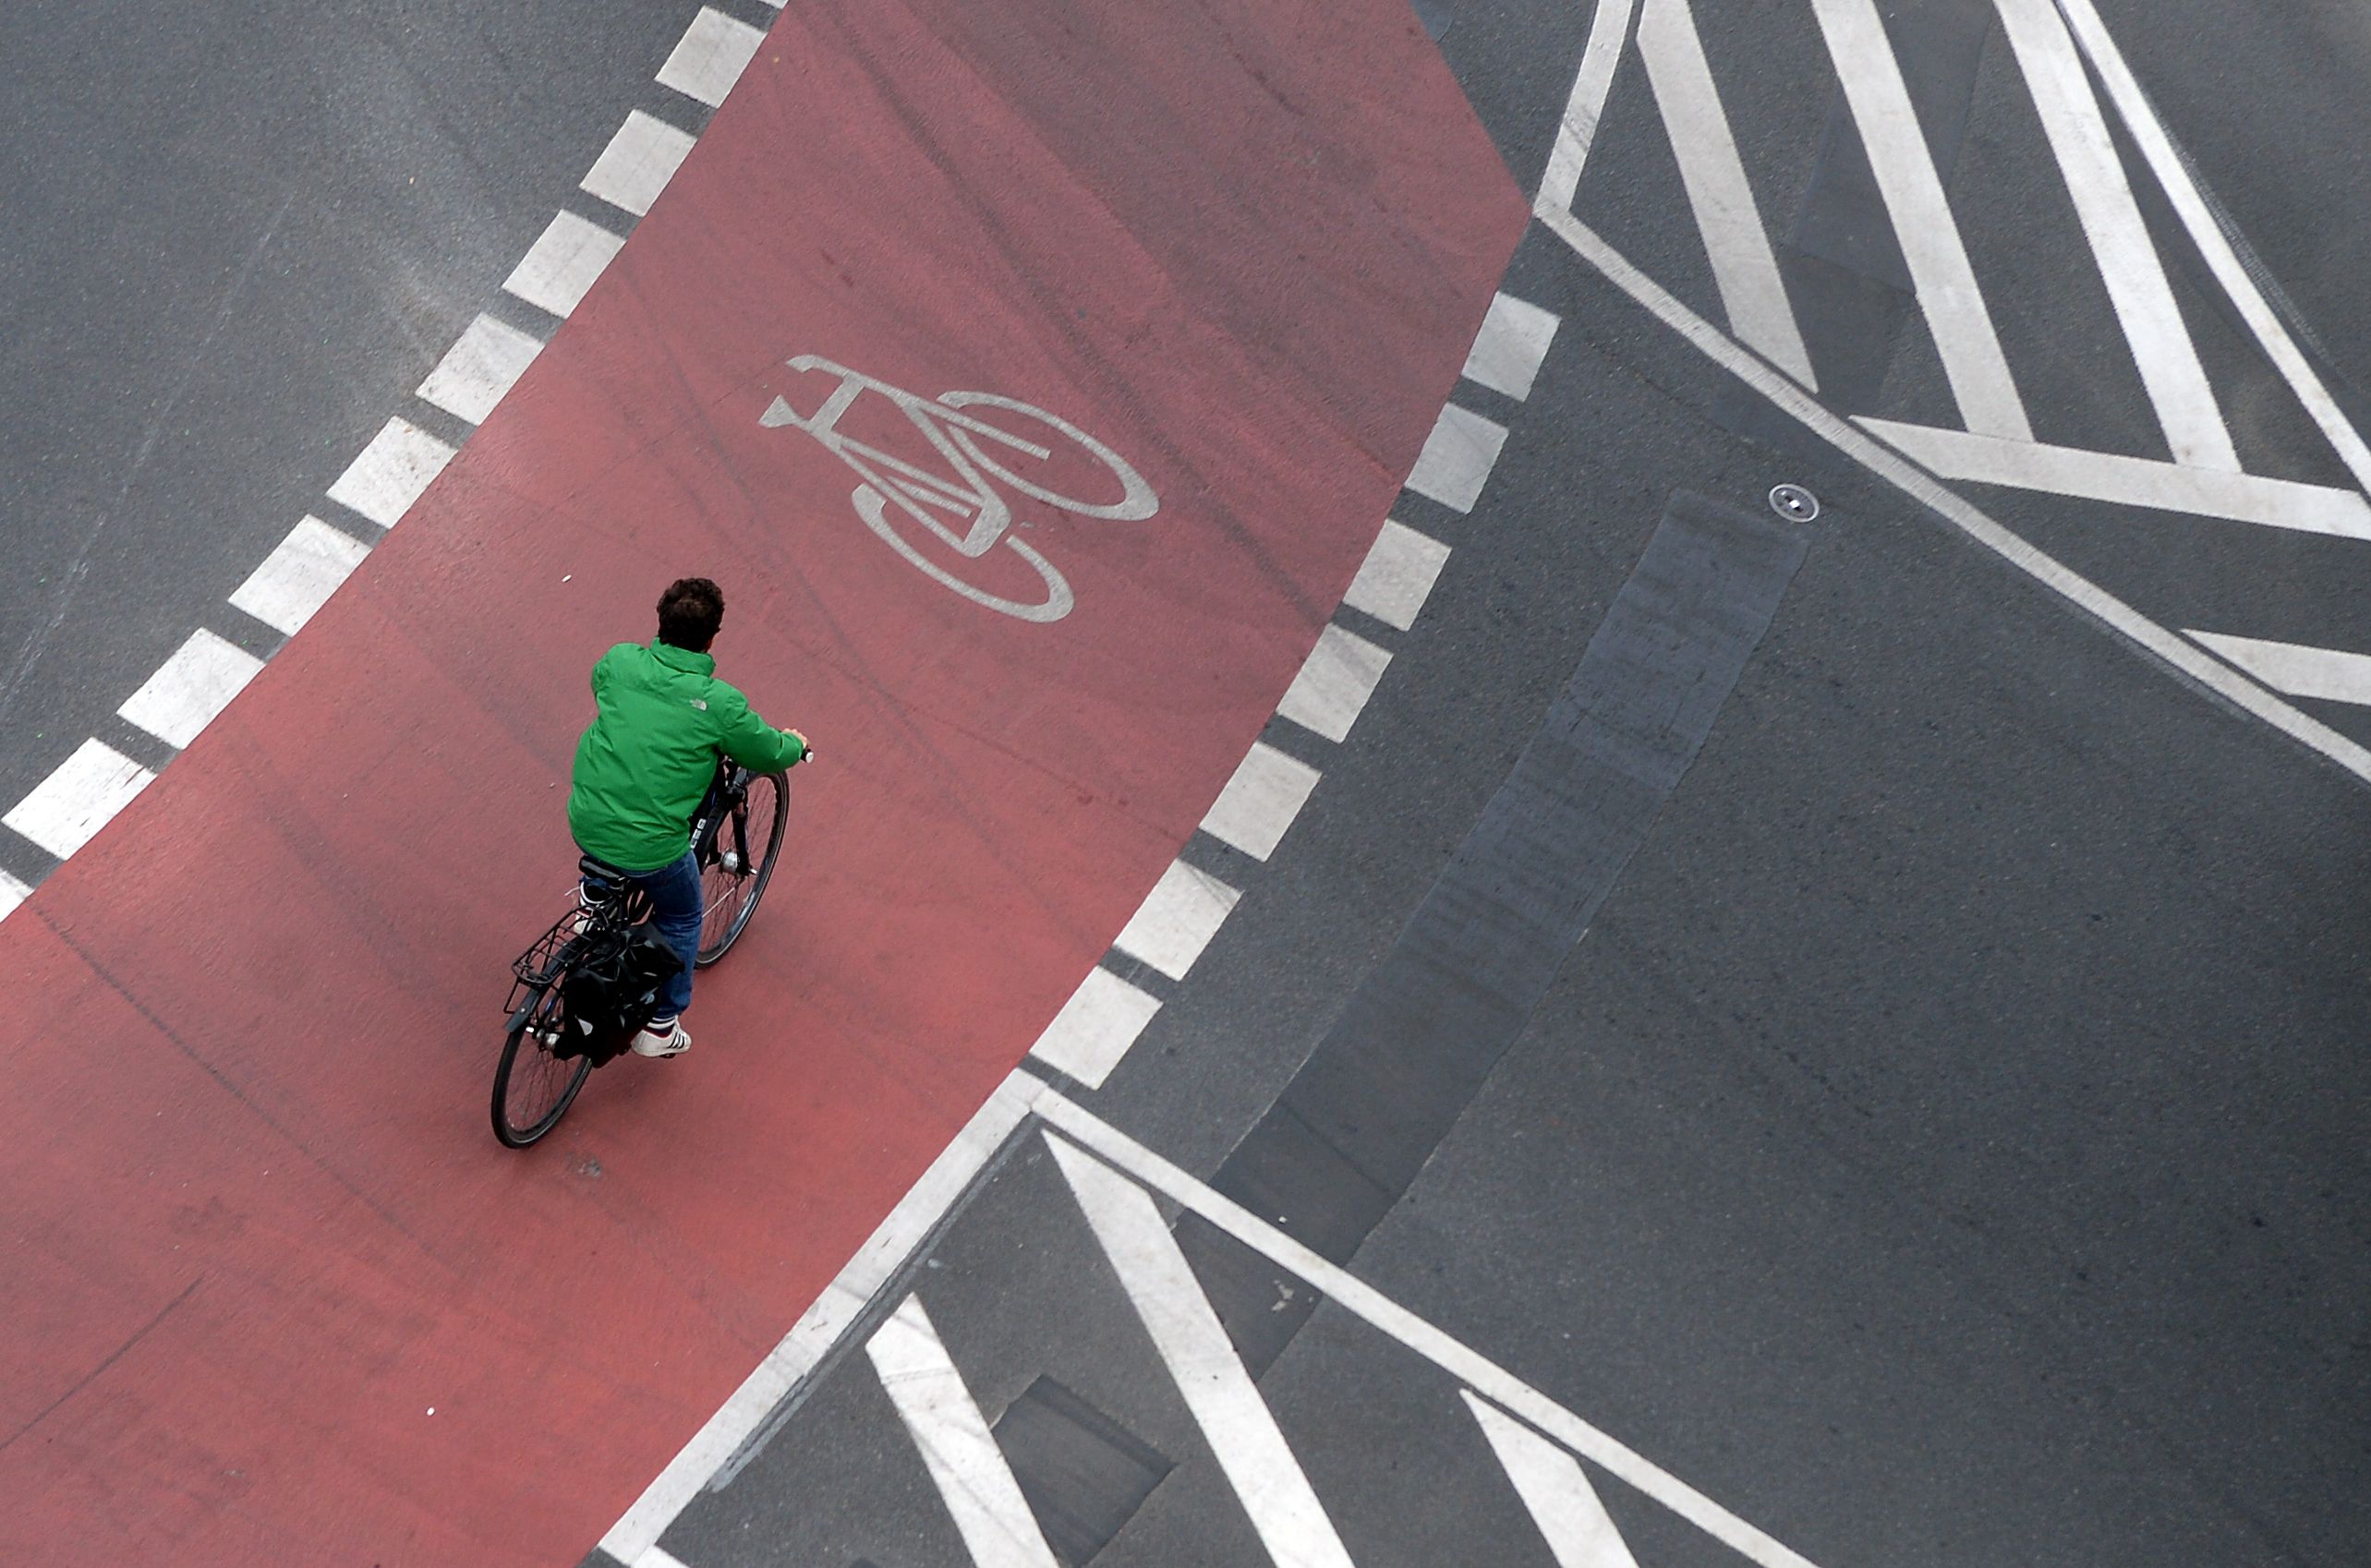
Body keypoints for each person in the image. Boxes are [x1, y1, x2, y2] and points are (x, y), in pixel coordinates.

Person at [566, 577, 808, 1057]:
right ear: (713, 637)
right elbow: (766, 751)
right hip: (651, 848)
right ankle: (659, 1025)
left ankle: (594, 901)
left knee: (614, 829)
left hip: (586, 819)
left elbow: (601, 684)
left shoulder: (619, 660)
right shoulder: (720, 704)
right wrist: (794, 745)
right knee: (680, 913)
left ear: (659, 621)